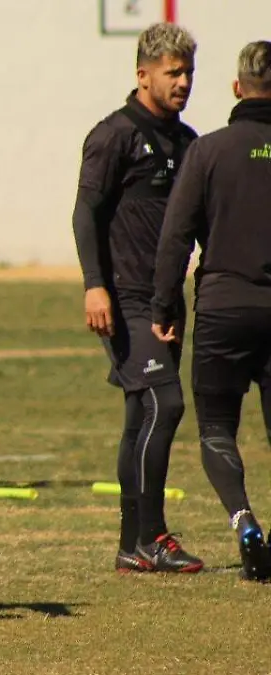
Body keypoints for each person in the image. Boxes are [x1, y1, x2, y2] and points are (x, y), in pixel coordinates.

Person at [71, 22, 203, 574]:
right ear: (142, 75)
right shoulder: (114, 135)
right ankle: (153, 535)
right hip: (123, 296)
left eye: (188, 72)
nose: (183, 82)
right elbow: (85, 215)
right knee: (165, 404)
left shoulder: (190, 142)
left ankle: (132, 547)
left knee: (139, 415)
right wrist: (93, 284)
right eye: (173, 72)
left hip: (165, 300)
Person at [151, 40, 271, 582]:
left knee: (218, 428)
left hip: (224, 308)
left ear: (237, 88)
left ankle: (245, 522)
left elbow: (175, 237)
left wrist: (164, 305)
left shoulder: (209, 150)